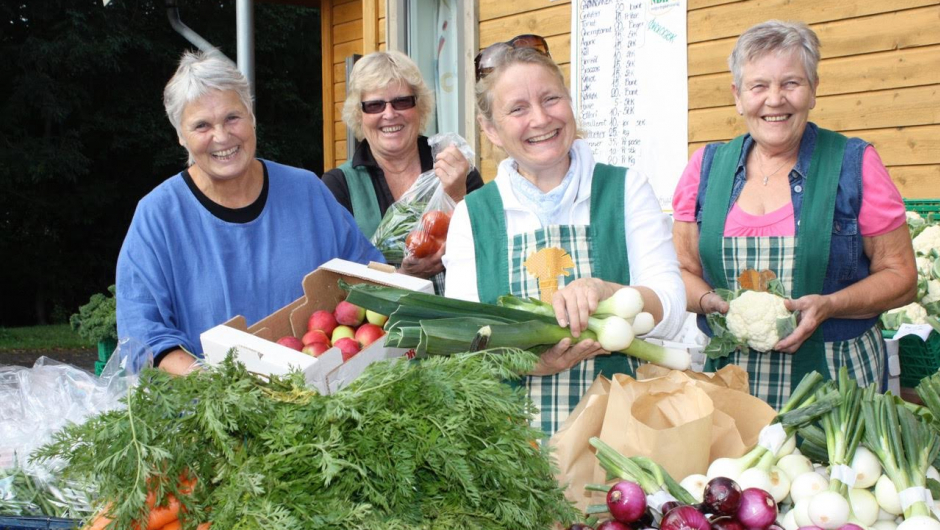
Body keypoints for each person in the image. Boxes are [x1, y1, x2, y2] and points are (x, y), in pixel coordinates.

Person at [443, 36, 686, 436]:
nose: (540, 119)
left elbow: (673, 309)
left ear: (570, 103)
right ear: (491, 129)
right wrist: (528, 362)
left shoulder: (625, 189)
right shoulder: (474, 215)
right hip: (512, 450)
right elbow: (461, 341)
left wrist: (612, 293)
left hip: (628, 443)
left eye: (551, 99)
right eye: (517, 109)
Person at [672, 20, 917, 409]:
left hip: (838, 386)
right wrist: (708, 302)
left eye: (791, 83)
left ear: (813, 90)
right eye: (759, 86)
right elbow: (680, 271)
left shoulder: (854, 164)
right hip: (727, 387)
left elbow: (901, 277)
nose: (775, 100)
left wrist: (831, 305)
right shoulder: (705, 169)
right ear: (738, 96)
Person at [116, 49, 384, 375]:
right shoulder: (158, 218)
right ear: (180, 136)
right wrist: (214, 387)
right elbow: (142, 336)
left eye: (232, 117)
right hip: (211, 411)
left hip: (318, 401)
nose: (222, 136)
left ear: (251, 115)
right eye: (201, 125)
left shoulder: (307, 193)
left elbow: (369, 279)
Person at [321, 51, 484, 290]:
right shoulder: (339, 186)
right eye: (375, 105)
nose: (389, 114)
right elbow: (333, 282)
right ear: (359, 114)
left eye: (402, 101)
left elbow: (490, 251)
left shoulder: (456, 168)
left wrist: (458, 198)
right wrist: (405, 275)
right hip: (380, 325)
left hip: (460, 320)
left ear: (420, 106)